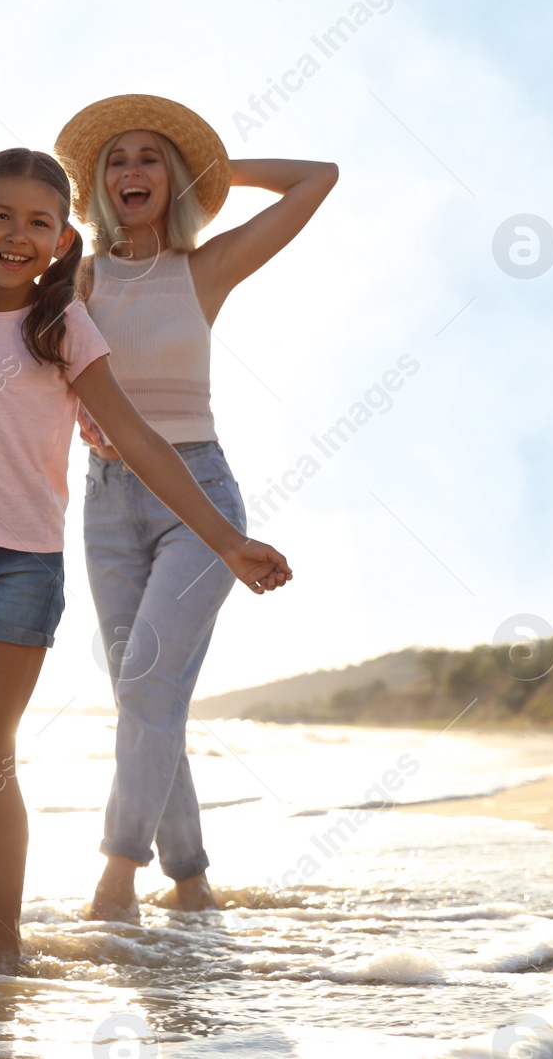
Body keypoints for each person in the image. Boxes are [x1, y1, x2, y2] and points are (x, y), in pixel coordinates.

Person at [0, 147, 291, 973]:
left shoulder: (63, 326)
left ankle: (3, 939)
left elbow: (134, 434)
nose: (17, 235)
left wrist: (227, 539)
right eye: (1, 218)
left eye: (37, 223)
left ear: (64, 238)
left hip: (21, 565)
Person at [52, 93, 338, 922]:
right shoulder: (80, 275)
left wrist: (215, 172)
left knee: (146, 681)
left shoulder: (205, 268)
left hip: (199, 497)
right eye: (116, 159)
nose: (131, 170)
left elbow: (318, 179)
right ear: (98, 185)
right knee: (147, 694)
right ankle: (190, 879)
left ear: (170, 178)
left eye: (149, 157)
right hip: (106, 504)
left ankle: (115, 877)